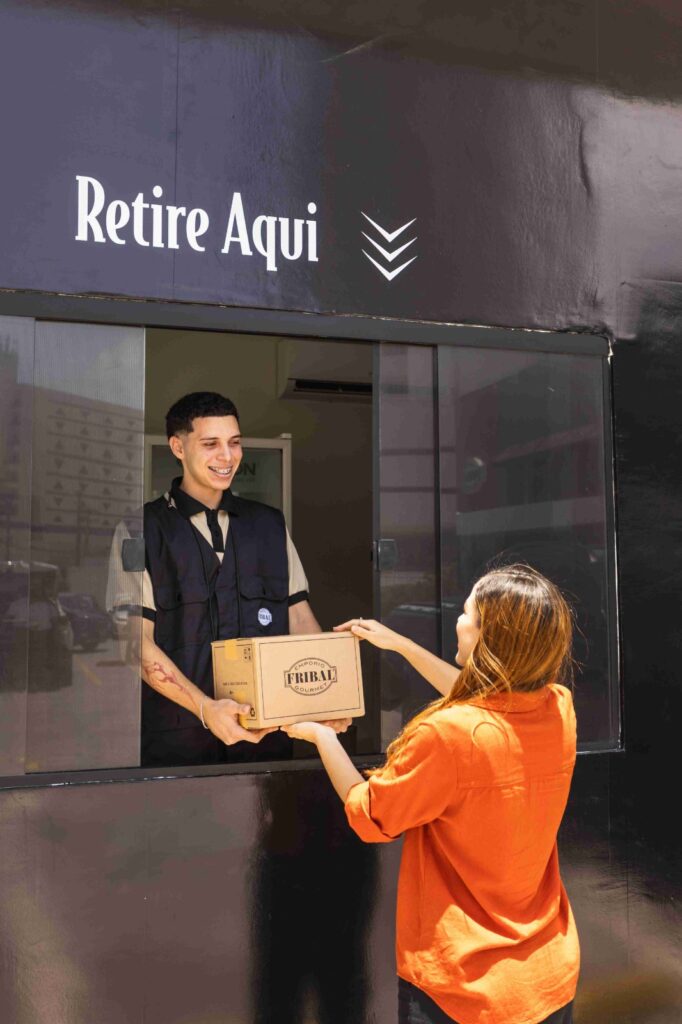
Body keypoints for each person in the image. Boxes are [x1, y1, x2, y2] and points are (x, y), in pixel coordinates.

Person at [283, 564, 580, 1024]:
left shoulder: (449, 734)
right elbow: (490, 699)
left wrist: (322, 737)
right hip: (546, 976)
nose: (457, 620)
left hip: (463, 990)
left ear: (489, 638)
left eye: (467, 614)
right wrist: (401, 645)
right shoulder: (558, 708)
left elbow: (372, 814)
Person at [108, 391, 347, 767]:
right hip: (177, 743)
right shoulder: (139, 531)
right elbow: (135, 643)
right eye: (211, 444)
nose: (227, 456)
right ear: (178, 447)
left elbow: (300, 620)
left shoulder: (270, 525)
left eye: (234, 443)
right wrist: (206, 708)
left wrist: (328, 701)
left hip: (267, 737)